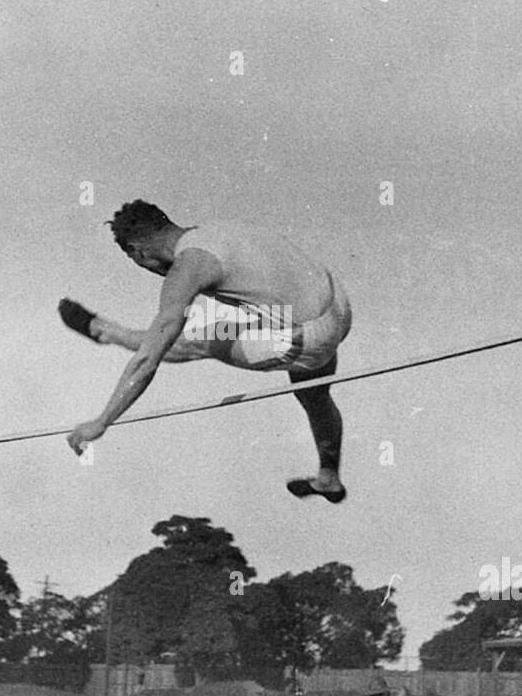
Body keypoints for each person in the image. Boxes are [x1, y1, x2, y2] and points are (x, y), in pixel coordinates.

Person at [59, 201, 353, 501]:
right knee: (313, 393)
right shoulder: (215, 231)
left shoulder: (188, 265)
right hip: (337, 308)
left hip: (304, 337)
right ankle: (329, 479)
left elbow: (148, 360)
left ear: (139, 252)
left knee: (194, 336)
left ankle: (105, 331)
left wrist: (102, 421)